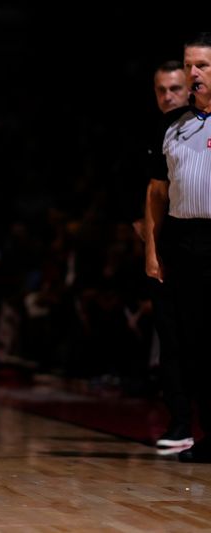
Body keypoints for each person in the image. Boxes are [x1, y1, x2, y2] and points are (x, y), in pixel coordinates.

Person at [144, 33, 211, 462]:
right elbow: (156, 194)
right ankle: (199, 430)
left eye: (202, 65)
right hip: (184, 240)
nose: (193, 74)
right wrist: (152, 251)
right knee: (192, 342)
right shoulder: (174, 126)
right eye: (190, 65)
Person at [142, 60, 192, 452]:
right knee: (170, 335)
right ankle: (179, 422)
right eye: (161, 90)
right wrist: (149, 244)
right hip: (165, 240)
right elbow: (151, 192)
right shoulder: (158, 132)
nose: (168, 97)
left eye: (175, 89)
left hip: (188, 235)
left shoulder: (196, 126)